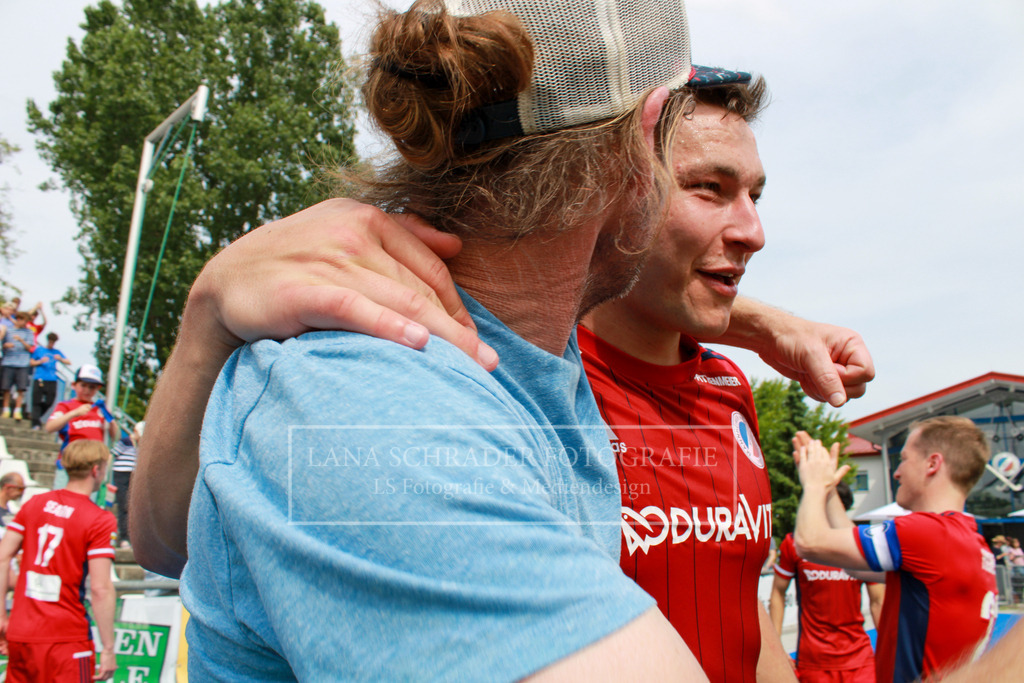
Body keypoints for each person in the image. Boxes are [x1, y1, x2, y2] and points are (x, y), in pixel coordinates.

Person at [173, 0, 738, 678]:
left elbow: (161, 538)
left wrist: (760, 324)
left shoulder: (520, 345)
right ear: (642, 143)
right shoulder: (362, 403)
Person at [793, 417, 997, 683]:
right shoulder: (968, 541)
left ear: (933, 464)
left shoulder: (928, 532)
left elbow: (810, 542)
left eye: (903, 458)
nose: (897, 472)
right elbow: (856, 566)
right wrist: (829, 492)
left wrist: (813, 485)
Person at [0, 439, 118, 681]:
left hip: (21, 633)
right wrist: (108, 648)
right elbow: (100, 588)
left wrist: (2, 617)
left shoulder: (34, 503)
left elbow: (2, 557)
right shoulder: (99, 519)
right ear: (96, 470)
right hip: (66, 638)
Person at [770, 482, 884, 682]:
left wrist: (888, 649)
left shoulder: (859, 543)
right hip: (813, 663)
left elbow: (878, 601)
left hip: (859, 661)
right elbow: (778, 593)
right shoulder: (796, 544)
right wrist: (777, 647)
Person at [110, 421, 143, 548]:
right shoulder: (125, 442)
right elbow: (112, 454)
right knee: (123, 505)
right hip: (121, 474)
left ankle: (130, 536)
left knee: (132, 506)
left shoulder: (140, 445)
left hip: (133, 475)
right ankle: (124, 537)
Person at [28, 332, 71, 429]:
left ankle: (36, 416)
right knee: (36, 401)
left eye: (53, 342)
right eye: (50, 341)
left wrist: (60, 359)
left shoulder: (56, 352)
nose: (51, 343)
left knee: (49, 401)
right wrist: (40, 361)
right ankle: (35, 423)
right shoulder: (40, 350)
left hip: (52, 379)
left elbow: (68, 362)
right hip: (40, 378)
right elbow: (31, 362)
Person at [1, 312, 35, 421]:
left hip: (23, 364)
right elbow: (2, 345)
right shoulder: (8, 330)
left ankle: (17, 410)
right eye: (24, 320)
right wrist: (5, 345)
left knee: (21, 389)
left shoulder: (29, 332)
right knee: (6, 388)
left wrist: (21, 340)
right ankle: (6, 410)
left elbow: (30, 348)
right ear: (19, 319)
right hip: (8, 362)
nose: (25, 323)